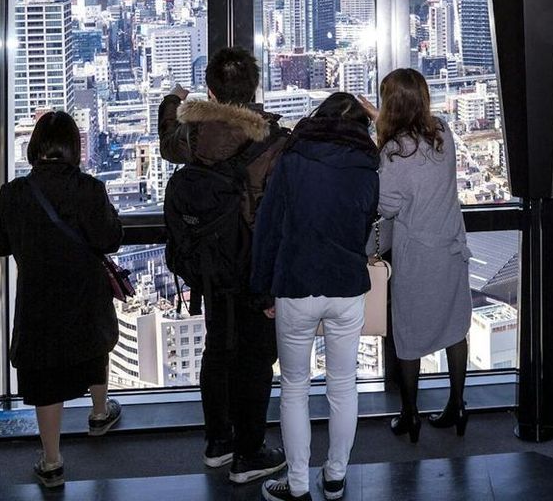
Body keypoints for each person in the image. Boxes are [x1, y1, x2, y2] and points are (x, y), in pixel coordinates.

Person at [158, 46, 287, 483]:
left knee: (218, 349)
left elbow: (166, 137)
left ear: (211, 92)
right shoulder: (273, 140)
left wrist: (174, 100)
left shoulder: (193, 137)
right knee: (255, 359)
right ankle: (250, 453)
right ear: (254, 89)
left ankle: (218, 442)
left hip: (210, 266)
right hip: (255, 266)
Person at [251, 93, 380, 501]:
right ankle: (336, 477)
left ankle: (299, 483)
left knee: (294, 387)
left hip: (296, 282)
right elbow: (362, 229)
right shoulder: (367, 168)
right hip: (346, 285)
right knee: (343, 385)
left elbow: (268, 229)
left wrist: (265, 289)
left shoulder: (291, 161)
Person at [0, 110, 124, 490]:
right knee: (94, 347)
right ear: (73, 147)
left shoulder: (14, 193)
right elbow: (109, 239)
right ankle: (100, 413)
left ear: (35, 147)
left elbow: (0, 244)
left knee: (44, 377)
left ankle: (52, 461)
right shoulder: (89, 189)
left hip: (37, 301)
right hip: (84, 295)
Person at [375, 68, 472, 440]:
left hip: (417, 255)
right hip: (451, 248)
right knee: (454, 327)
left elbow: (386, 206)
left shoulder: (395, 154)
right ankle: (458, 405)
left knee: (409, 334)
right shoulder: (443, 134)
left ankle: (410, 414)